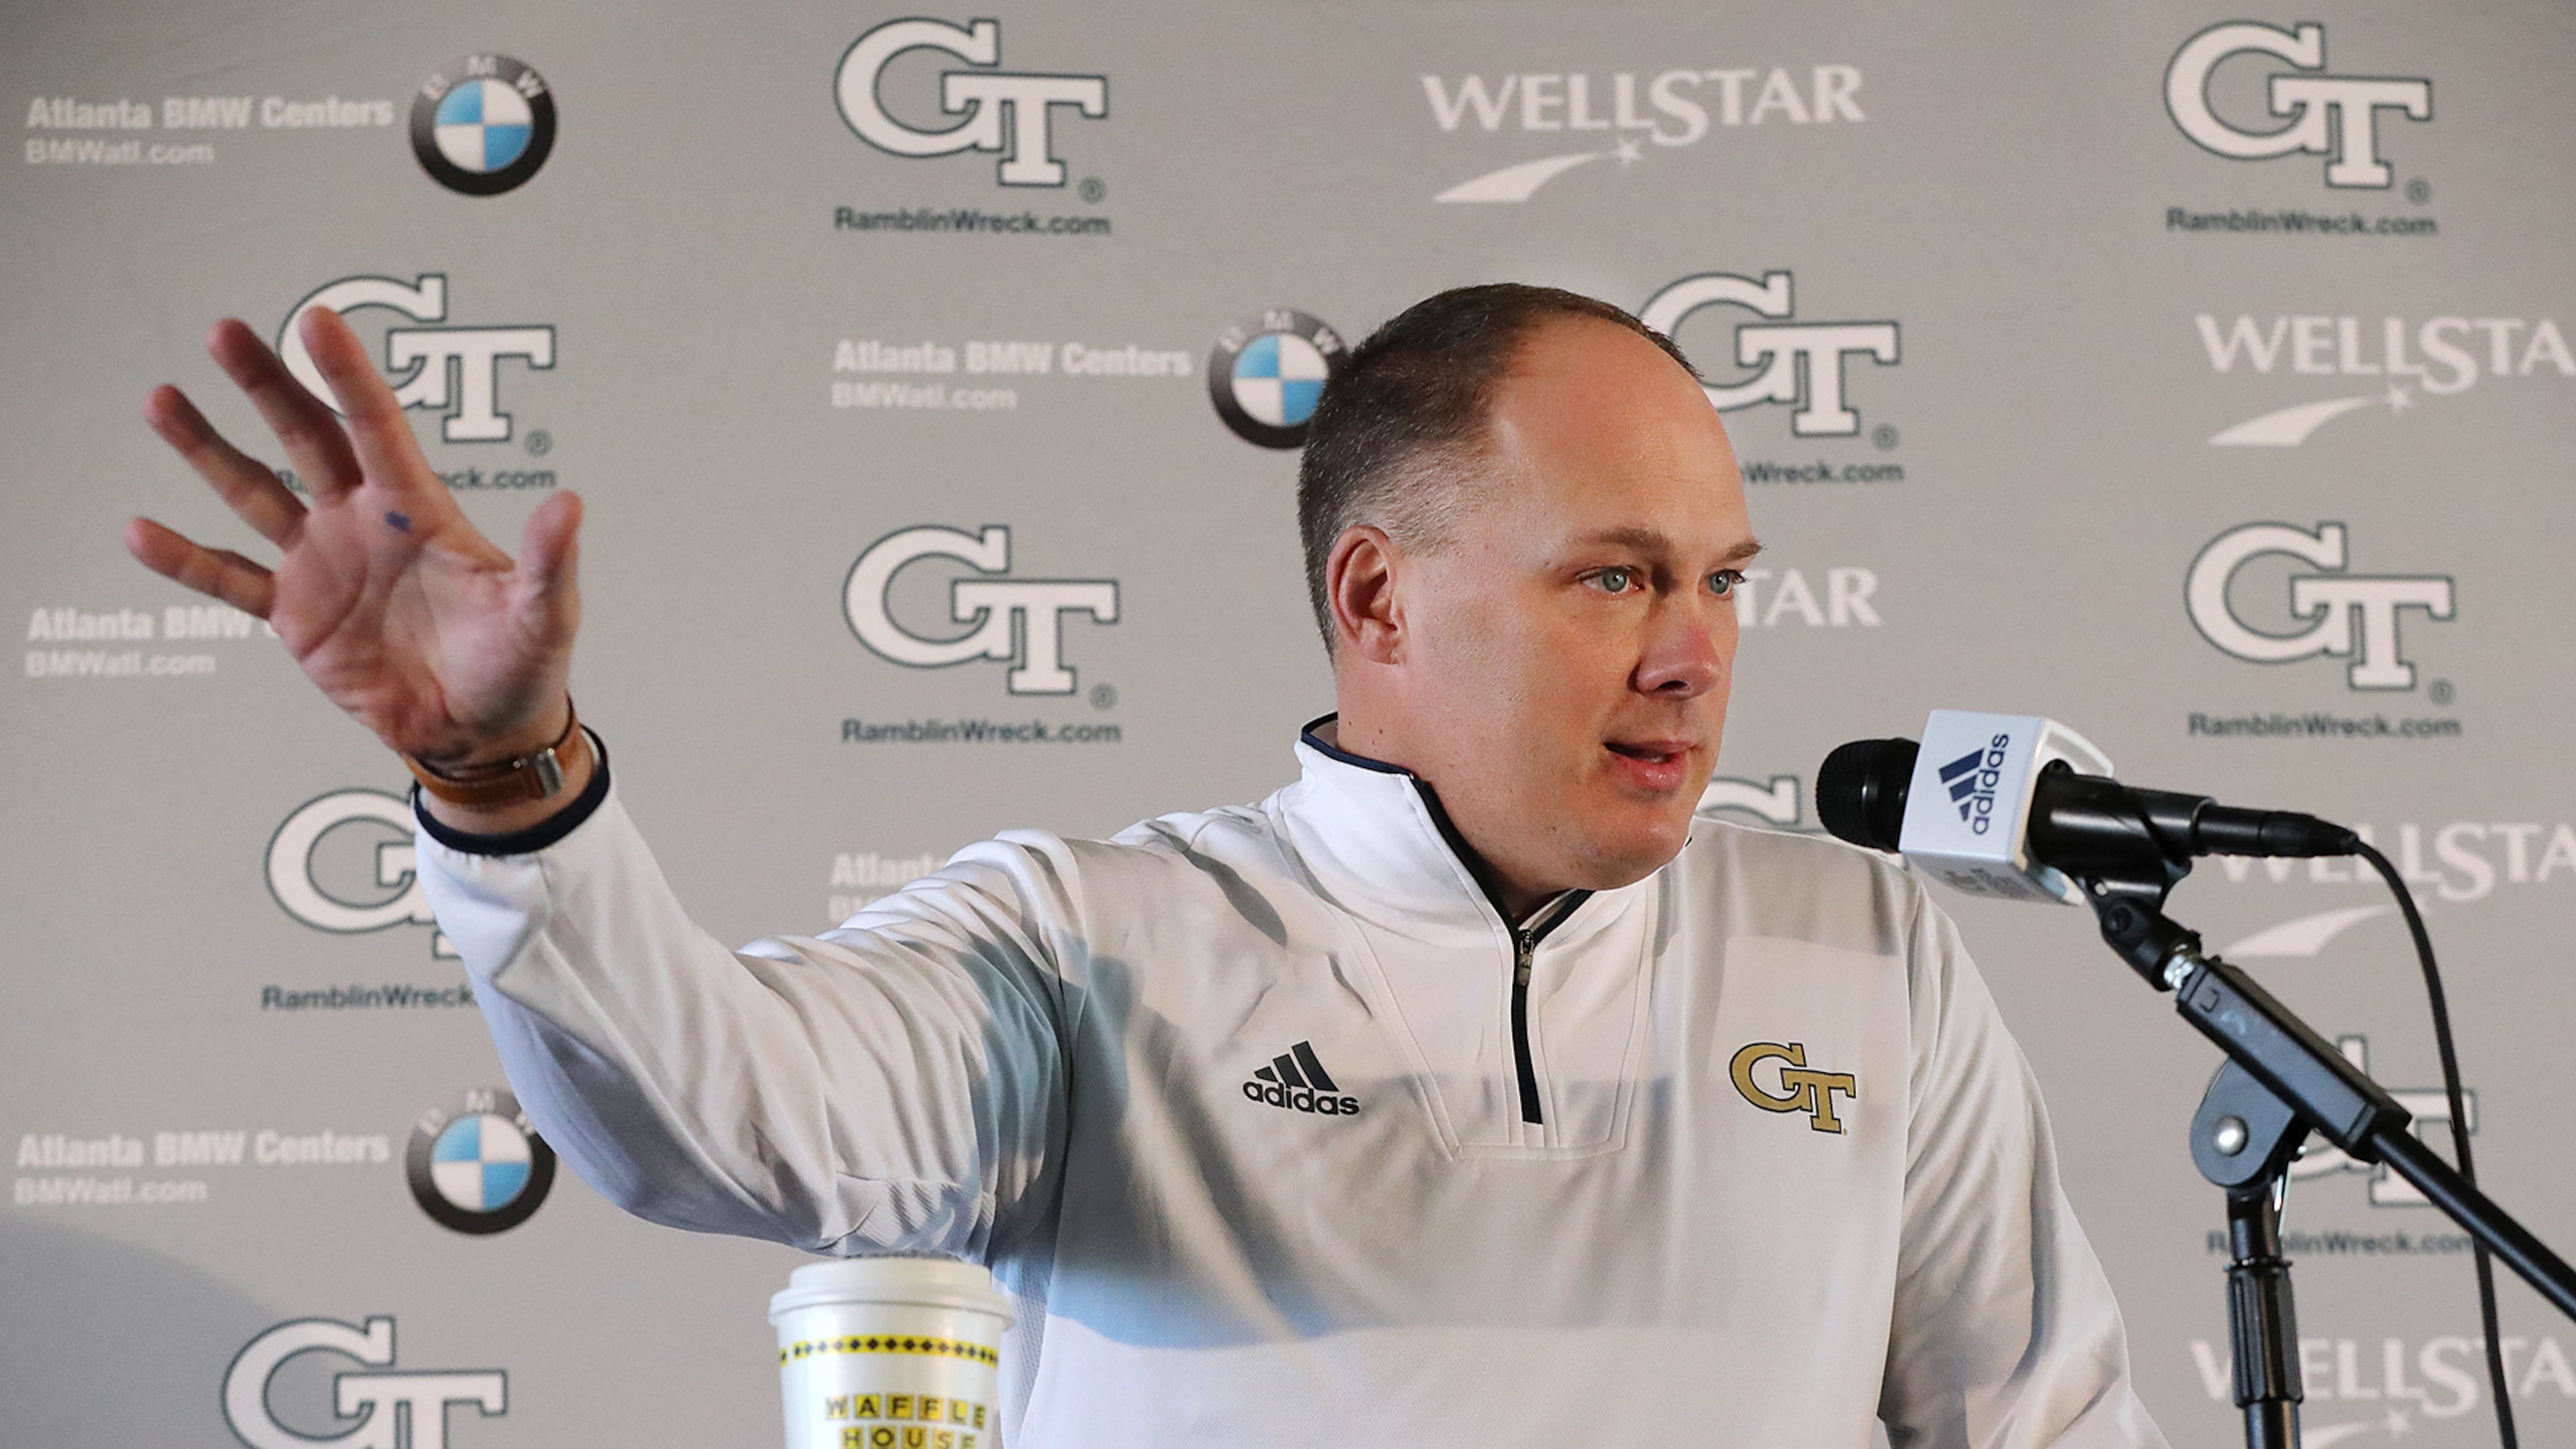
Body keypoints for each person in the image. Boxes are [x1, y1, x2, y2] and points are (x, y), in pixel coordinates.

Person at [131, 284, 2167, 1448]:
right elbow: (721, 1124)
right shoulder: (1097, 942)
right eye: (1615, 575)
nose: (1694, 649)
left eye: (1724, 577)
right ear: (1377, 602)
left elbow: (2045, 1430)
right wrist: (510, 786)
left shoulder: (1861, 943)